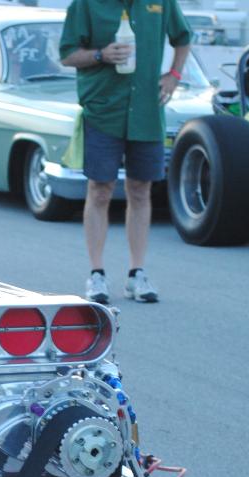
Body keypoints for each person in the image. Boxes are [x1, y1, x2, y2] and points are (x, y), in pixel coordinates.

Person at [60, 0, 191, 305]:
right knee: (100, 189)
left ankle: (137, 273)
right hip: (103, 109)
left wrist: (174, 75)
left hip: (147, 111)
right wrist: (100, 55)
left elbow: (183, 38)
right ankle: (96, 274)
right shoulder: (86, 4)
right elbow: (67, 55)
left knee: (141, 190)